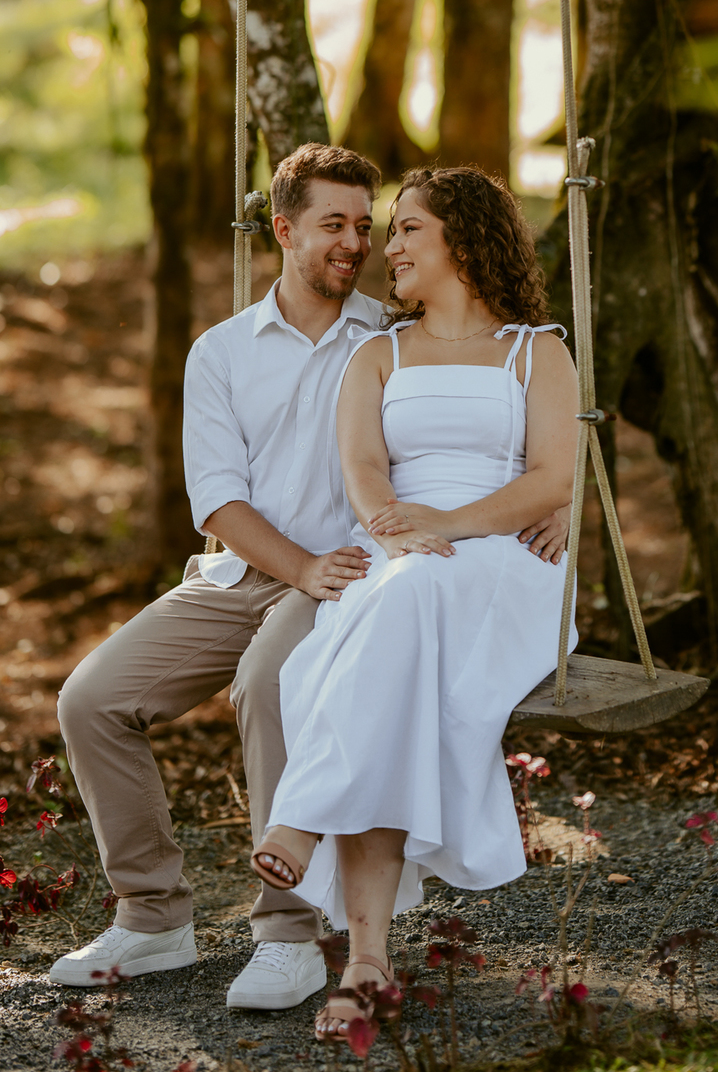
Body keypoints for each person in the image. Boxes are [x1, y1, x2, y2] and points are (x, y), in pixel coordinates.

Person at [51, 146, 568, 1010]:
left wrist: (559, 504)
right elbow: (217, 500)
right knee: (90, 700)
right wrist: (299, 566)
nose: (358, 244)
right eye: (335, 225)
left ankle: (288, 934)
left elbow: (503, 425)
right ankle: (152, 916)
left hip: (360, 575)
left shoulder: (392, 330)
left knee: (272, 683)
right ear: (283, 231)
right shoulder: (222, 352)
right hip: (251, 570)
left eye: (366, 226)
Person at [248, 166, 579, 1044]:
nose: (386, 247)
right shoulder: (379, 355)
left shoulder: (537, 351)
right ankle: (364, 962)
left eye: (407, 229)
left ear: (461, 241)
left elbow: (554, 477)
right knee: (396, 632)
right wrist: (397, 529)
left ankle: (304, 818)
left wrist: (450, 525)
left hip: (509, 562)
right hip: (403, 557)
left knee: (407, 596)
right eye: (389, 231)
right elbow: (363, 469)